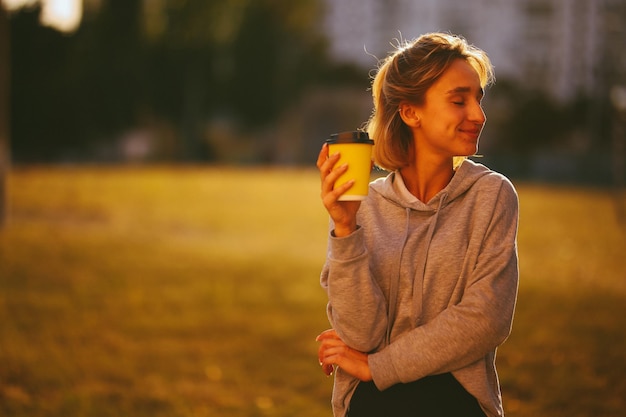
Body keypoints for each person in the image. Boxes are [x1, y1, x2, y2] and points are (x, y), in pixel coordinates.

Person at [315, 32, 519, 417]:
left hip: (453, 401)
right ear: (411, 112)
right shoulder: (368, 207)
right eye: (459, 100)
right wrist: (344, 228)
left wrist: (379, 366)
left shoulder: (491, 197)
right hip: (373, 403)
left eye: (478, 99)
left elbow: (485, 320)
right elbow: (362, 335)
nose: (478, 115)